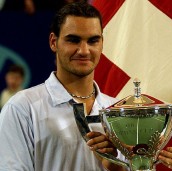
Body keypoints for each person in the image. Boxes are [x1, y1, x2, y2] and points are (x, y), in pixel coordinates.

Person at [0, 2, 125, 171]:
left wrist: (117, 168)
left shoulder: (120, 111)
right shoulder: (22, 108)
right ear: (53, 42)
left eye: (93, 40)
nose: (84, 50)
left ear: (102, 43)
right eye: (73, 40)